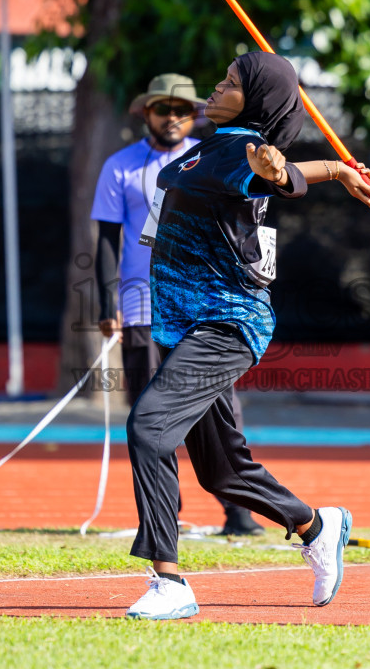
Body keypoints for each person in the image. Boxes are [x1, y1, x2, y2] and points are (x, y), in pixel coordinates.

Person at [125, 50, 370, 620]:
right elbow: (266, 174)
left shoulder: (241, 152)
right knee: (222, 469)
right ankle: (317, 526)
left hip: (225, 323)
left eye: (231, 82)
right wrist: (336, 170)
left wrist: (283, 170)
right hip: (183, 324)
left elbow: (272, 176)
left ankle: (170, 583)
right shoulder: (208, 150)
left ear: (258, 101)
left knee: (149, 426)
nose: (216, 87)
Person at [91, 72, 264, 536]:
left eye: (182, 109)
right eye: (163, 109)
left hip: (206, 305)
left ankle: (239, 513)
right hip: (143, 306)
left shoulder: (213, 159)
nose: (173, 118)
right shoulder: (120, 167)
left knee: (219, 407)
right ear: (146, 113)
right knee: (150, 410)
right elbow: (107, 239)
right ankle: (170, 513)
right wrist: (108, 302)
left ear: (194, 116)